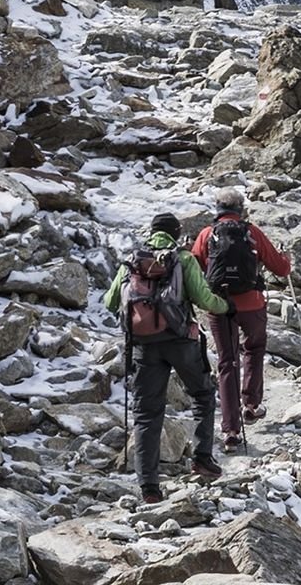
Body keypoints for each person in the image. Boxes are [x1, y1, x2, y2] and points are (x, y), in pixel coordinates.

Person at [102, 211, 228, 501]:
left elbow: (110, 302)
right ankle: (202, 458)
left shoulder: (132, 261)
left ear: (151, 231)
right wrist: (226, 306)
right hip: (180, 340)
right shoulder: (182, 259)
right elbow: (203, 299)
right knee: (202, 394)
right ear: (175, 232)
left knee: (147, 413)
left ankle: (148, 486)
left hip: (144, 345)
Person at [192, 188, 292, 449]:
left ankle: (231, 431)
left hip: (219, 306)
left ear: (217, 209)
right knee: (255, 348)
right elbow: (281, 268)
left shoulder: (206, 234)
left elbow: (196, 268)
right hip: (252, 303)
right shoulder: (252, 232)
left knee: (227, 362)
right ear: (241, 209)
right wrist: (287, 259)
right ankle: (251, 404)